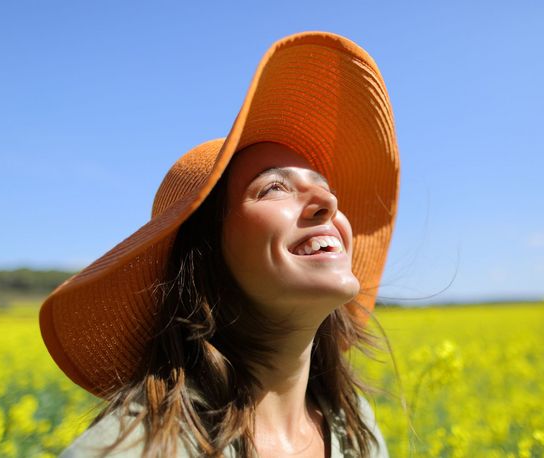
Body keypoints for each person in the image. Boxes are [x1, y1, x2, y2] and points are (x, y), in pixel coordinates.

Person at [39, 31, 400, 457]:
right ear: (204, 254)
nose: (328, 202)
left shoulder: (355, 426)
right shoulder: (135, 449)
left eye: (324, 187)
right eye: (274, 189)